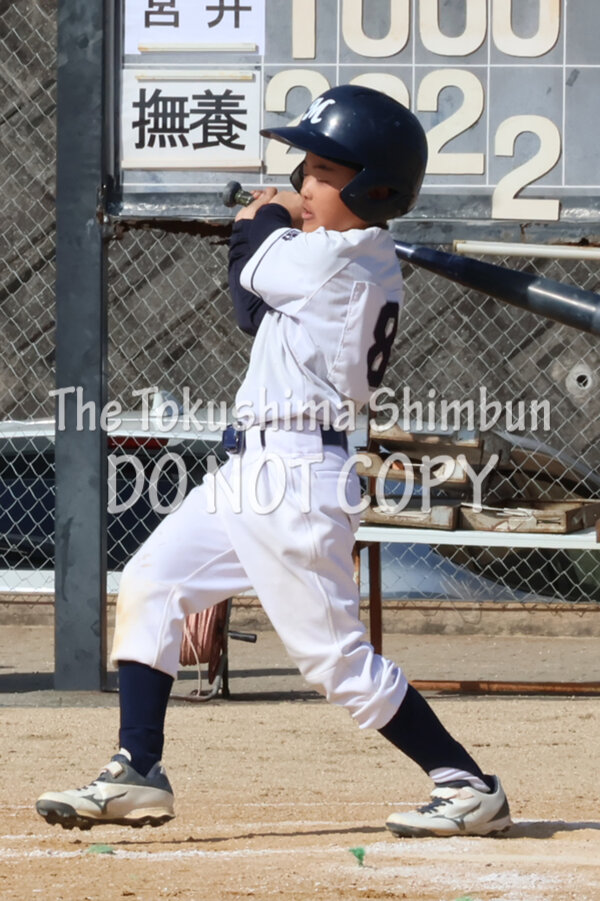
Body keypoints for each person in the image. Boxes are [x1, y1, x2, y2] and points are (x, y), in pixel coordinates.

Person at [36, 85, 511, 838]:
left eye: (323, 172)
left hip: (297, 478)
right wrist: (272, 221)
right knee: (155, 582)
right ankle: (137, 768)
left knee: (336, 663)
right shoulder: (335, 256)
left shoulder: (344, 258)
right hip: (250, 470)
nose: (303, 184)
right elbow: (249, 305)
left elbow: (256, 253)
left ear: (373, 189)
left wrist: (263, 215)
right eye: (304, 171)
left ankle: (467, 783)